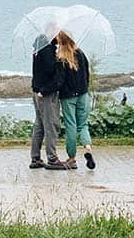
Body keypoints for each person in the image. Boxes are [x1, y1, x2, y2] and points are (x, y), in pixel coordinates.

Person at [56, 30, 95, 169]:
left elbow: (60, 81)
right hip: (83, 94)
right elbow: (87, 73)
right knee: (83, 125)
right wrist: (84, 87)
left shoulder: (61, 59)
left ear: (61, 42)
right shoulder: (81, 54)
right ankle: (88, 148)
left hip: (68, 97)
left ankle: (72, 158)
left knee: (71, 126)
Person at [29, 32, 67, 170]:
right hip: (46, 93)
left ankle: (35, 157)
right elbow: (52, 71)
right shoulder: (47, 49)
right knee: (51, 124)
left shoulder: (38, 47)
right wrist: (59, 60)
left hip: (37, 89)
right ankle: (52, 158)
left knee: (39, 124)